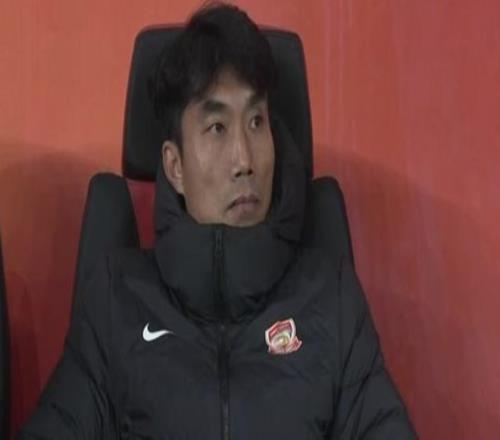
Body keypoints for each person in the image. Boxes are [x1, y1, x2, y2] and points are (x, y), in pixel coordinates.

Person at [18, 3, 417, 439]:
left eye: (256, 122)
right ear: (174, 167)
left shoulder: (331, 298)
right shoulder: (115, 302)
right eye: (217, 128)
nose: (244, 160)